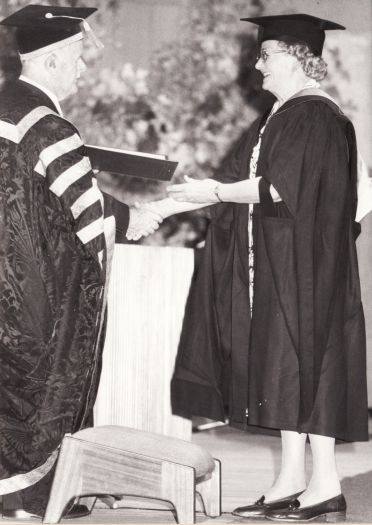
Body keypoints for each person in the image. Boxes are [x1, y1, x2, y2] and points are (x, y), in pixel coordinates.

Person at [131, 13, 369, 522]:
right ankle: (291, 480)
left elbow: (276, 188)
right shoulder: (277, 119)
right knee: (284, 370)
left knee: (313, 370)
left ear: (297, 57)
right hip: (278, 268)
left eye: (265, 55)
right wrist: (158, 208)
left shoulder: (317, 117)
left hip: (309, 272)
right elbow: (228, 183)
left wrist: (212, 192)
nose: (256, 65)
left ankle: (325, 488)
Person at [0, 4, 162, 519]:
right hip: (37, 294)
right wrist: (133, 218)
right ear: (49, 60)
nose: (82, 69)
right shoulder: (49, 126)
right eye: (76, 58)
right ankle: (36, 495)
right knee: (39, 388)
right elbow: (88, 218)